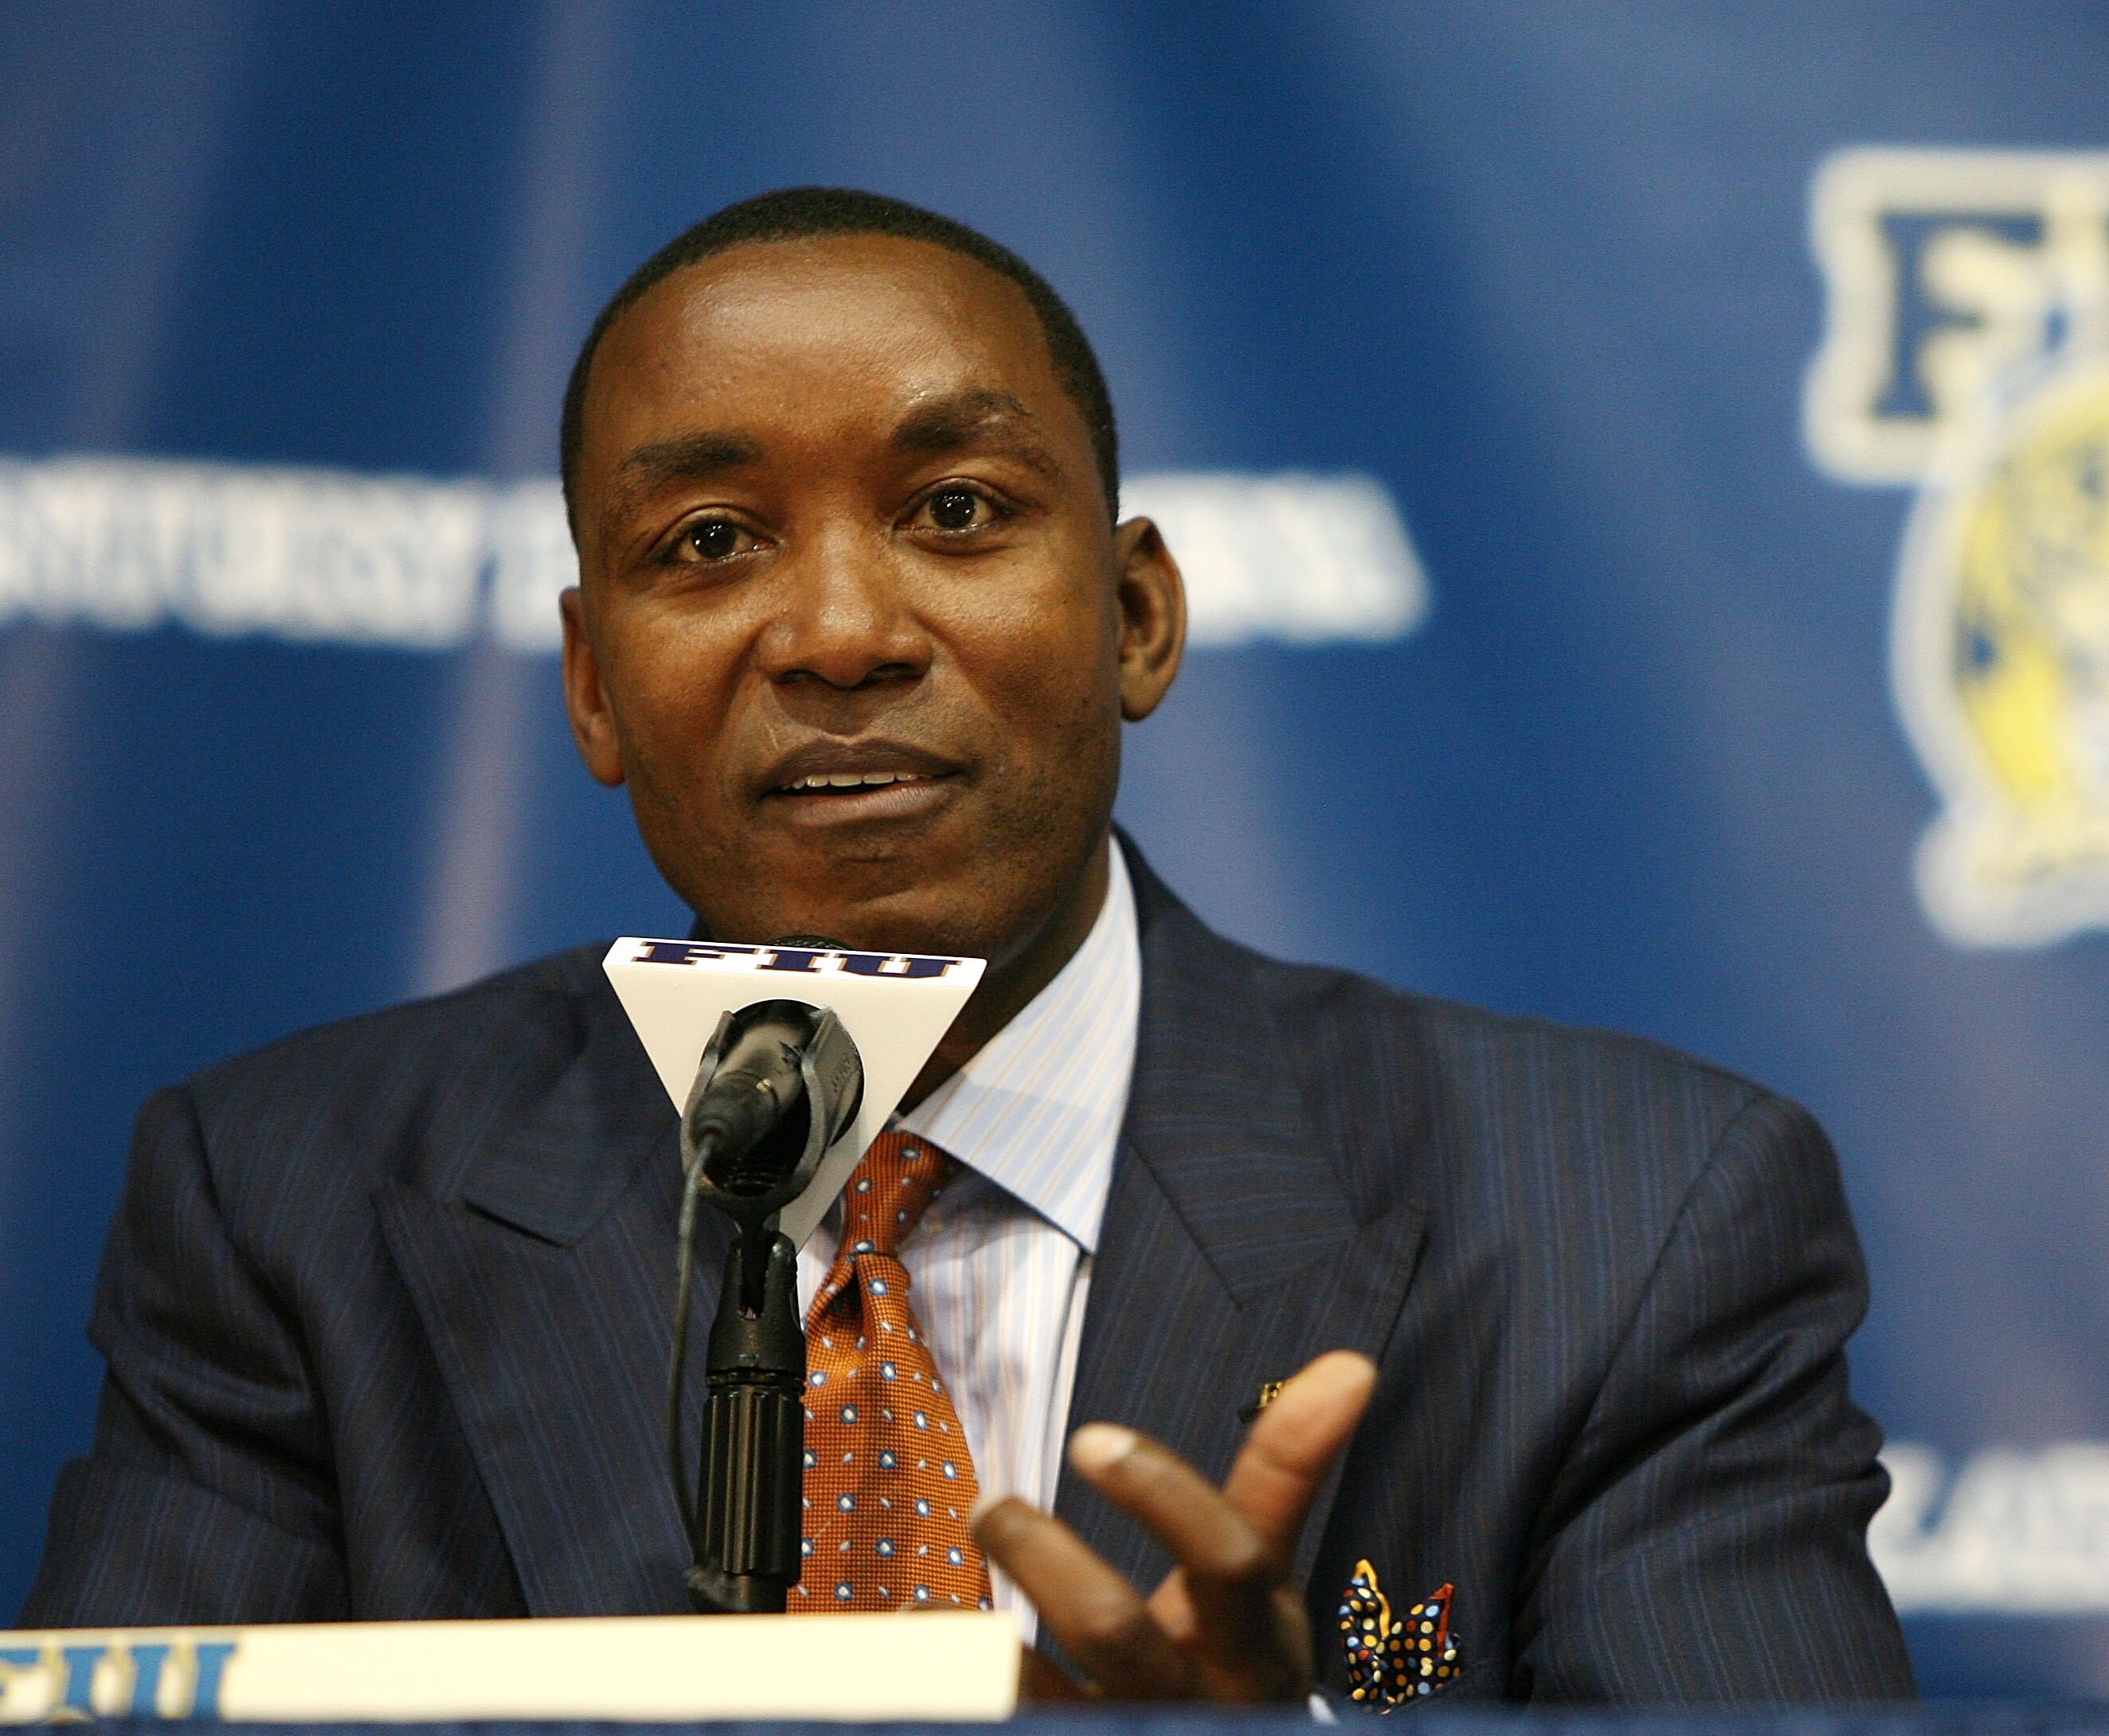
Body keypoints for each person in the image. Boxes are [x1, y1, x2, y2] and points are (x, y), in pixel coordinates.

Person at [22, 189, 1915, 1706]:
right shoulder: (294, 1202)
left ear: (1134, 617)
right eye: (709, 542)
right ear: (593, 685)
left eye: (954, 511)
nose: (840, 632)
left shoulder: (1623, 1221)